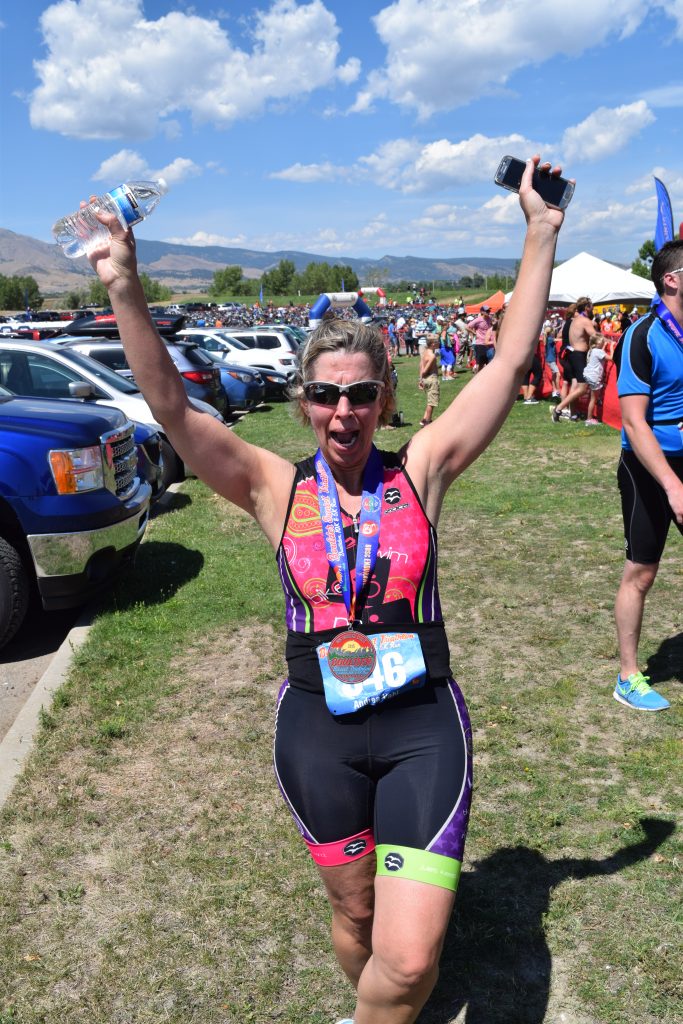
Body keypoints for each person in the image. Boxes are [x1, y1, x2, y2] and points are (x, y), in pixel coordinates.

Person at [85, 154, 566, 1024]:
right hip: (317, 722)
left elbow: (509, 361)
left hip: (422, 719)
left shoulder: (422, 468)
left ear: (385, 402)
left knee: (413, 957)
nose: (342, 413)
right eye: (324, 395)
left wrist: (539, 232)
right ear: (304, 403)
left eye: (361, 395)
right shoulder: (274, 486)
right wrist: (125, 285)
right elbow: (172, 410)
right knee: (355, 911)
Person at [612, 239, 683, 712]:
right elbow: (634, 422)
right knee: (642, 570)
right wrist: (673, 484)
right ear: (672, 279)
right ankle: (629, 676)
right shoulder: (643, 333)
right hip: (648, 465)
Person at [551, 297, 600, 422]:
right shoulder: (585, 320)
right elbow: (595, 336)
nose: (593, 307)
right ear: (587, 307)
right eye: (592, 305)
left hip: (572, 354)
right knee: (582, 388)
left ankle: (572, 413)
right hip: (578, 355)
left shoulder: (575, 320)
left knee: (575, 384)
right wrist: (609, 341)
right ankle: (559, 408)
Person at [583, 335, 608, 424]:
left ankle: (589, 417)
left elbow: (601, 353)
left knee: (592, 398)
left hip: (588, 375)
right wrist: (612, 348)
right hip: (594, 377)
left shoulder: (592, 350)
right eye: (602, 342)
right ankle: (589, 419)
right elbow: (611, 358)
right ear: (597, 343)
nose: (604, 343)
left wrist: (604, 347)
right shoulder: (598, 351)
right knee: (593, 399)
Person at [418, 334, 441, 425]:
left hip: (426, 379)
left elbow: (420, 366)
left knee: (429, 401)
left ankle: (424, 419)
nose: (439, 343)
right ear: (432, 344)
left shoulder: (425, 352)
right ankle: (427, 421)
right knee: (432, 402)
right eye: (437, 342)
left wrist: (420, 380)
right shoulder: (432, 356)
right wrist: (423, 375)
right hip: (431, 379)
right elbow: (424, 370)